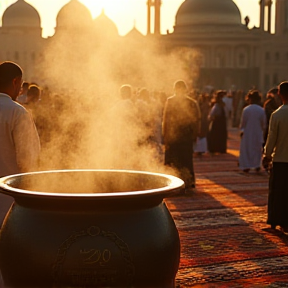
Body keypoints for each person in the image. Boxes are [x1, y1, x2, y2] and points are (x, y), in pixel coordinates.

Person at [0, 61, 41, 225]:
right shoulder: (16, 112)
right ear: (16, 81)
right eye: (21, 85)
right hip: (8, 201)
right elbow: (27, 161)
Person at [162, 80, 201, 190]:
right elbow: (196, 120)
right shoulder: (192, 103)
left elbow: (166, 120)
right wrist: (195, 134)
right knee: (186, 160)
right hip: (186, 136)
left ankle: (171, 183)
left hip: (174, 136)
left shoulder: (170, 101)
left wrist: (165, 135)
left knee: (173, 160)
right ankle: (188, 182)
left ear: (175, 89)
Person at [263, 81, 288, 232]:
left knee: (277, 191)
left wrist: (266, 155)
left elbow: (272, 138)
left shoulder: (277, 114)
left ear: (280, 94)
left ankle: (275, 219)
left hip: (280, 159)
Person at [238, 90, 266, 173]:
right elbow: (264, 124)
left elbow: (243, 123)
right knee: (257, 149)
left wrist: (241, 131)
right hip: (258, 132)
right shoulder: (261, 110)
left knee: (246, 149)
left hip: (247, 133)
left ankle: (246, 165)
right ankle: (257, 165)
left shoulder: (246, 110)